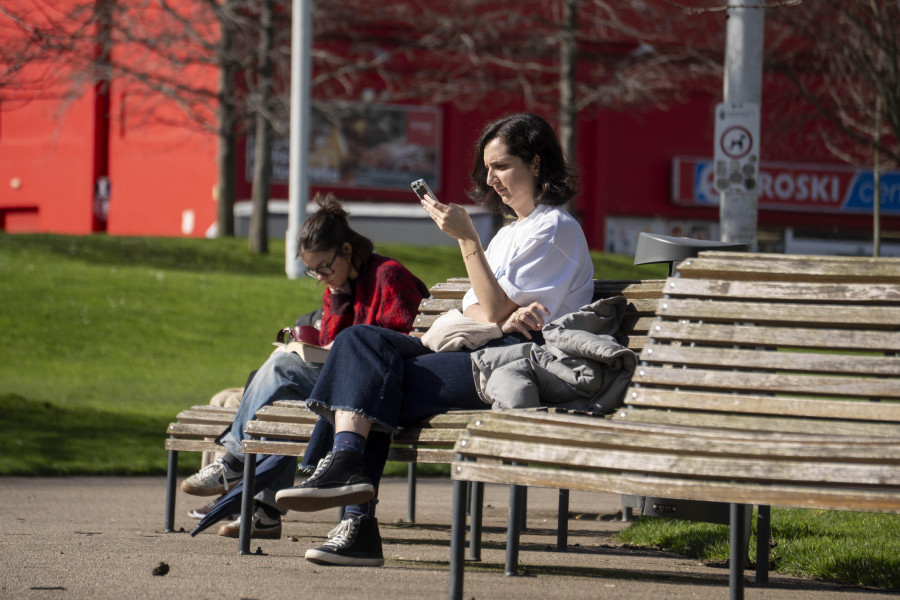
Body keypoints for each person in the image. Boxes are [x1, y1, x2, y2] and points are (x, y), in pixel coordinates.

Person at [273, 113, 595, 567]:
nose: (491, 179)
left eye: (501, 166)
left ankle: (351, 510)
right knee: (360, 342)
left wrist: (468, 245)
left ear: (536, 163)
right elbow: (480, 311)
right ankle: (345, 472)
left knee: (377, 379)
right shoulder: (506, 235)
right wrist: (496, 308)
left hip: (510, 362)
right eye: (487, 168)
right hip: (474, 345)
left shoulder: (556, 229)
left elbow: (498, 313)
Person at [180, 193, 429, 539]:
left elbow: (407, 342)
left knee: (282, 368)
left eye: (325, 267)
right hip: (343, 390)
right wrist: (339, 299)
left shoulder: (388, 276)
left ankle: (235, 461)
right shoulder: (335, 289)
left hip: (381, 392)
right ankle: (265, 513)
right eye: (313, 270)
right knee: (284, 400)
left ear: (346, 250)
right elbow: (331, 344)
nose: (321, 276)